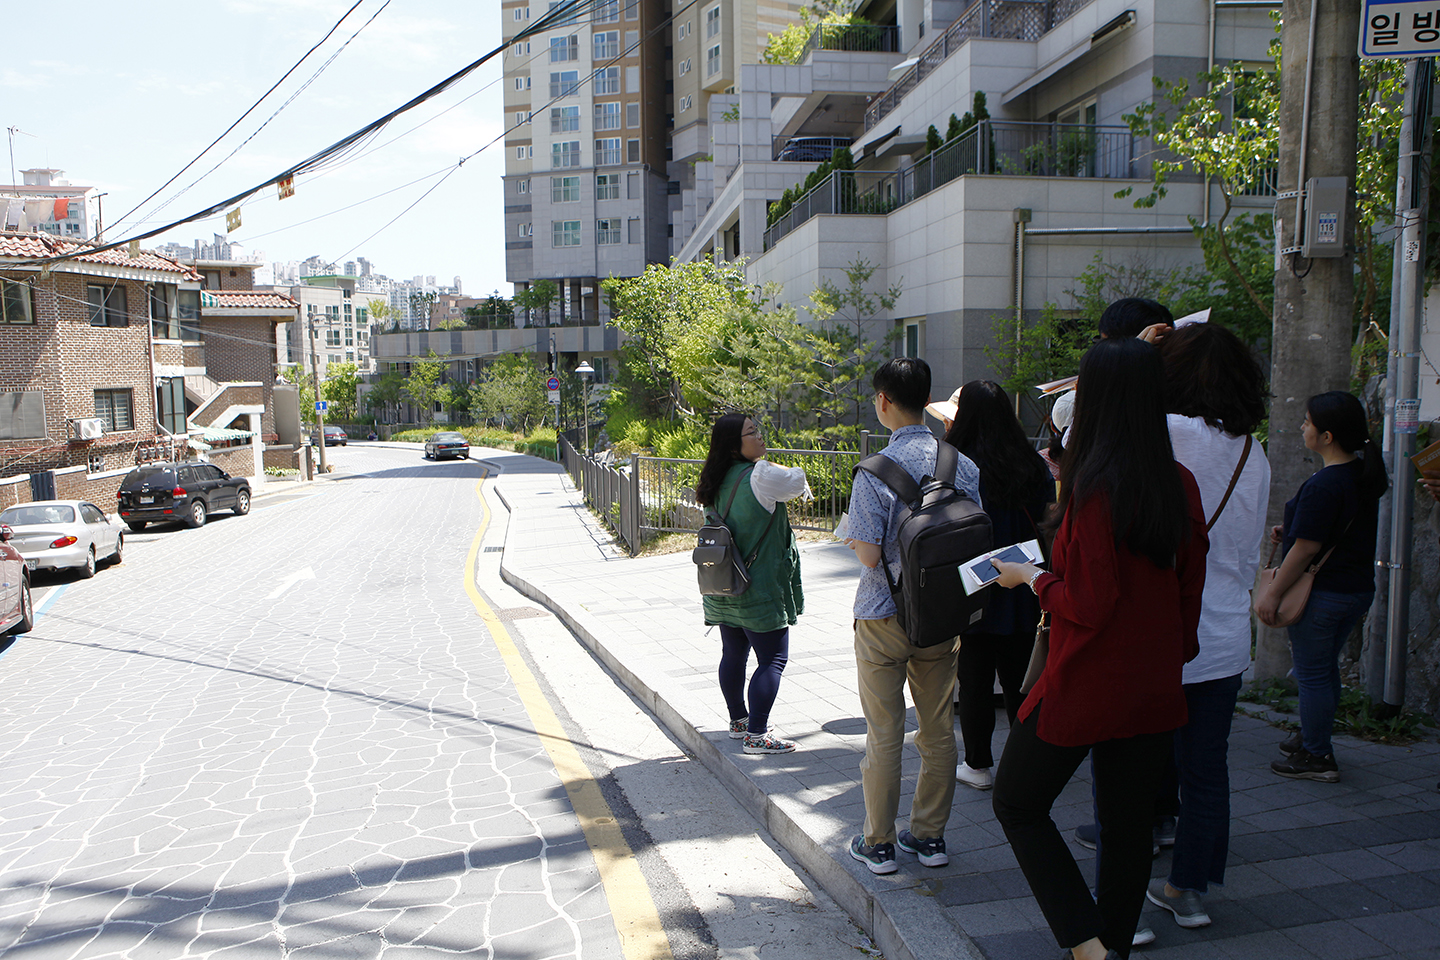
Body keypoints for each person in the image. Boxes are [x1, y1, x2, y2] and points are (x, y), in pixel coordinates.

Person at [989, 337, 1208, 960]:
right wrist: (1169, 655)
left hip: (1086, 679)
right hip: (1153, 680)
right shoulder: (1179, 481)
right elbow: (1190, 583)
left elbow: (1087, 604)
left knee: (1017, 803)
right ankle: (1110, 946)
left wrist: (1032, 578)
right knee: (1128, 827)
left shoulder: (1095, 489)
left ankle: (1086, 945)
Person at [1138, 323, 1269, 928]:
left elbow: (1080, 425)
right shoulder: (1252, 453)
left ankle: (1122, 895)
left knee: (1133, 767)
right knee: (1206, 769)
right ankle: (1187, 890)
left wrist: (1138, 354)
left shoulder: (1166, 432)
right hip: (1223, 637)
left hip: (1161, 632)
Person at [844, 357, 982, 875]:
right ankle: (929, 838)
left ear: (883, 401)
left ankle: (878, 844)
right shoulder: (961, 465)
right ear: (927, 399)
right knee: (938, 731)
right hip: (942, 616)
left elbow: (868, 557)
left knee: (884, 734)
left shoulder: (875, 471)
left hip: (883, 616)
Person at [1256, 391, 1388, 782]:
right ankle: (1314, 735)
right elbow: (1330, 529)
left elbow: (1307, 548)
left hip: (1322, 593)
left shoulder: (1324, 484)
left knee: (1312, 674)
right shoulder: (1362, 476)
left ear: (1327, 436)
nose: (1302, 427)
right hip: (1356, 589)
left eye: (1308, 422)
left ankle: (1317, 755)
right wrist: (1292, 529)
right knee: (1324, 669)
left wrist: (1273, 593)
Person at [942, 381, 1054, 791]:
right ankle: (1028, 765)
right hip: (1024, 582)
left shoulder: (952, 462)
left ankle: (978, 765)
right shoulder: (1031, 463)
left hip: (973, 584)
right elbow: (1048, 520)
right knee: (1021, 680)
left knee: (973, 681)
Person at [695, 413, 812, 755]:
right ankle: (757, 736)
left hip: (724, 582)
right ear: (735, 444)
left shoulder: (714, 479)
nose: (760, 436)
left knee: (733, 653)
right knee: (773, 659)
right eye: (751, 432)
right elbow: (797, 481)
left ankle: (739, 722)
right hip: (758, 588)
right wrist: (769, 463)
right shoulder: (760, 474)